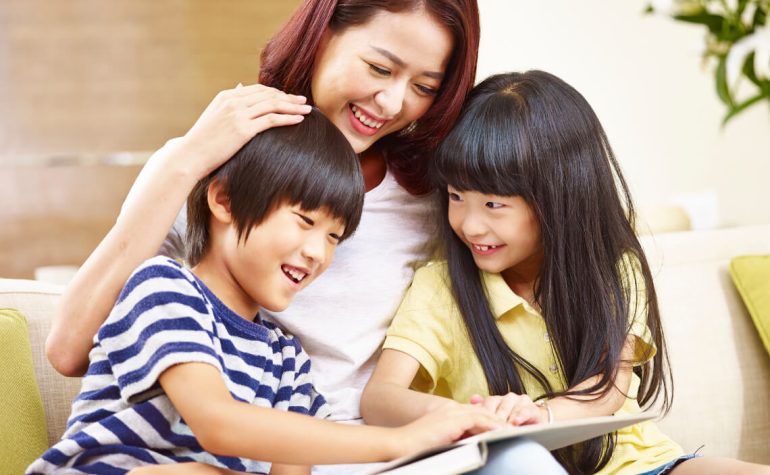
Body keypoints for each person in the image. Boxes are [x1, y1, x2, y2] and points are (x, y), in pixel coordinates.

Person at [46, 0, 567, 473]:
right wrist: (185, 163)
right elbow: (70, 349)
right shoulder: (213, 170)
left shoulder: (436, 200)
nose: (392, 103)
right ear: (322, 33)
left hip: (372, 453)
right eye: (379, 68)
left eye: (425, 86)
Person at [27, 110, 505, 475]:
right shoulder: (164, 287)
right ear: (224, 200)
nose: (317, 252)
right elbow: (217, 422)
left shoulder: (285, 358)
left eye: (334, 237)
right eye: (304, 221)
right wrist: (403, 441)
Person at [361, 71, 770, 475]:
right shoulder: (442, 288)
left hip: (645, 465)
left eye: (493, 205)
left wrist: (541, 415)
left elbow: (608, 390)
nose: (470, 225)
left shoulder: (614, 268)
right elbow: (380, 398)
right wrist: (462, 416)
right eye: (455, 196)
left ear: (558, 196)